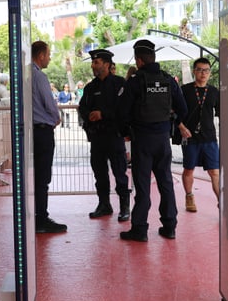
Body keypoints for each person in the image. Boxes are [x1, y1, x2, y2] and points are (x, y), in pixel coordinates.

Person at [117, 39, 188, 242]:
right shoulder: (168, 80)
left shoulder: (135, 82)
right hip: (162, 140)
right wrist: (170, 122)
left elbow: (122, 113)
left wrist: (126, 132)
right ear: (153, 58)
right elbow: (183, 109)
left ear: (139, 60)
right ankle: (169, 226)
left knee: (142, 185)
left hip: (142, 140)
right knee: (166, 182)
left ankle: (139, 229)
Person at [78, 49, 130, 222]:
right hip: (97, 138)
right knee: (99, 173)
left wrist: (103, 114)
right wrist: (89, 116)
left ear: (107, 65)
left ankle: (124, 207)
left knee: (120, 173)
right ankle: (104, 204)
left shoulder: (119, 84)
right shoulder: (90, 88)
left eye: (96, 62)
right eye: (93, 62)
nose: (93, 65)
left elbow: (123, 108)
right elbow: (83, 108)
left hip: (114, 137)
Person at [32, 41, 67, 233]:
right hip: (43, 131)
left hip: (29, 133)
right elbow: (49, 103)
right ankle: (41, 218)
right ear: (41, 56)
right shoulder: (40, 77)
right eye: (48, 54)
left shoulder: (24, 75)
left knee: (34, 176)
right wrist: (56, 117)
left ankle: (35, 215)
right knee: (43, 177)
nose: (50, 58)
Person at [178, 58, 220, 213]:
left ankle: (221, 202)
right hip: (190, 137)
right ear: (194, 71)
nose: (203, 73)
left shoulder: (214, 91)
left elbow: (222, 113)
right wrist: (181, 127)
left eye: (206, 70)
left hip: (209, 137)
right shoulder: (184, 90)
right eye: (200, 70)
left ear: (210, 72)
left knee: (214, 172)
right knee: (189, 169)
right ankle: (189, 196)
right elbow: (173, 111)